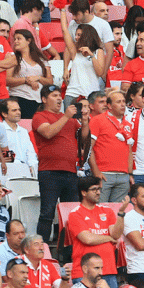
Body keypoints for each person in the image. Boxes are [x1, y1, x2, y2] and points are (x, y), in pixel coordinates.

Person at [32, 84, 88, 242]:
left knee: (71, 214)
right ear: (44, 99)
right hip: (49, 171)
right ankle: (42, 248)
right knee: (47, 213)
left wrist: (84, 122)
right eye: (54, 95)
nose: (59, 98)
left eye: (59, 95)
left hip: (70, 171)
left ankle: (68, 251)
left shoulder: (70, 120)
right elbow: (48, 133)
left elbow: (84, 140)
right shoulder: (40, 116)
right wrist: (66, 116)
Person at [67, 176, 122, 288]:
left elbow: (116, 235)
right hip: (84, 273)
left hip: (109, 270)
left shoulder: (107, 211)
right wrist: (108, 238)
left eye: (99, 189)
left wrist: (121, 214)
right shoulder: (75, 214)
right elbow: (88, 239)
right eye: (94, 189)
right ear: (83, 192)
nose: (98, 193)